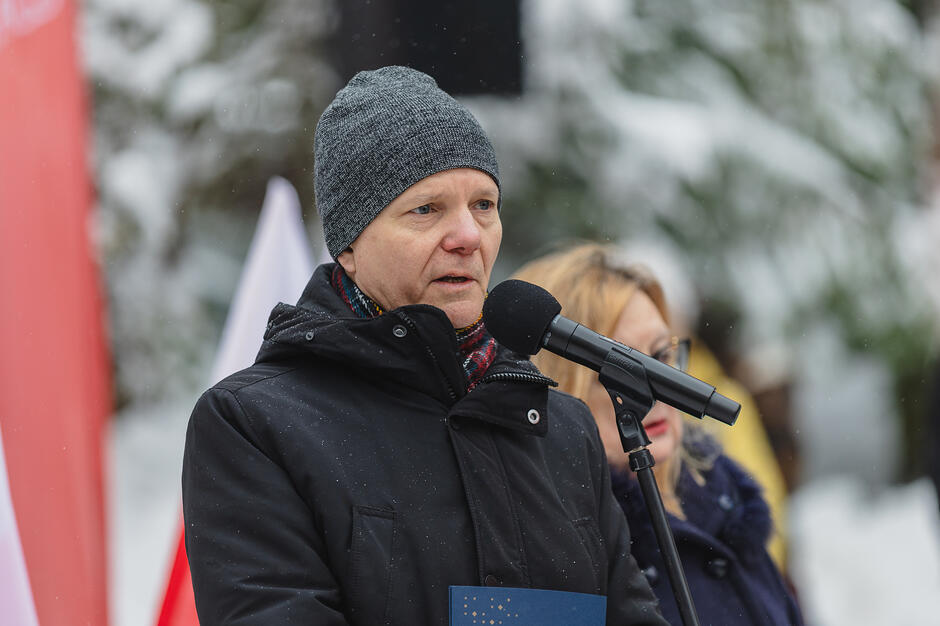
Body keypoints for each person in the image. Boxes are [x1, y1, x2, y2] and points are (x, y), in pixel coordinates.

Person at [182, 67, 667, 625]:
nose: (468, 236)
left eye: (483, 205)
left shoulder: (563, 427)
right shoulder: (254, 424)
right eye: (425, 209)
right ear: (349, 245)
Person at [513, 243, 803, 625]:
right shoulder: (557, 554)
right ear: (557, 387)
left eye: (661, 358)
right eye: (617, 370)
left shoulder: (724, 499)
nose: (654, 392)